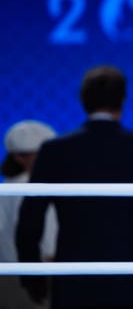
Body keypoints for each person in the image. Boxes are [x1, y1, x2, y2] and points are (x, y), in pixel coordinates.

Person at [15, 65, 133, 309]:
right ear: (123, 100)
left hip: (73, 282)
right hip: (130, 282)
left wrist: (32, 278)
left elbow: (29, 220)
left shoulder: (55, 150)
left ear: (83, 99)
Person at [0, 120, 57, 309]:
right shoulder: (36, 190)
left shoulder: (6, 189)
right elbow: (49, 247)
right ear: (19, 157)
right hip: (38, 278)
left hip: (7, 278)